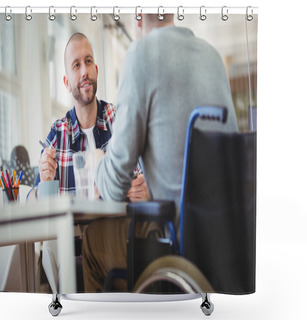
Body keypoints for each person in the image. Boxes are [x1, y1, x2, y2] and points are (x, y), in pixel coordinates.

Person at [82, 14, 239, 292]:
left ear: (138, 16)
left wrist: (98, 163)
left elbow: (113, 188)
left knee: (92, 241)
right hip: (225, 241)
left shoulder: (141, 54)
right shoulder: (213, 57)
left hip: (174, 242)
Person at [28, 33, 151, 293]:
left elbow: (146, 179)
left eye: (88, 62)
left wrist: (144, 190)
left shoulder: (119, 121)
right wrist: (45, 181)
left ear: (96, 69)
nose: (84, 71)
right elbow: (32, 207)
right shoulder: (58, 133)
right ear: (66, 81)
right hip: (71, 249)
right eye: (76, 65)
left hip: (119, 241)